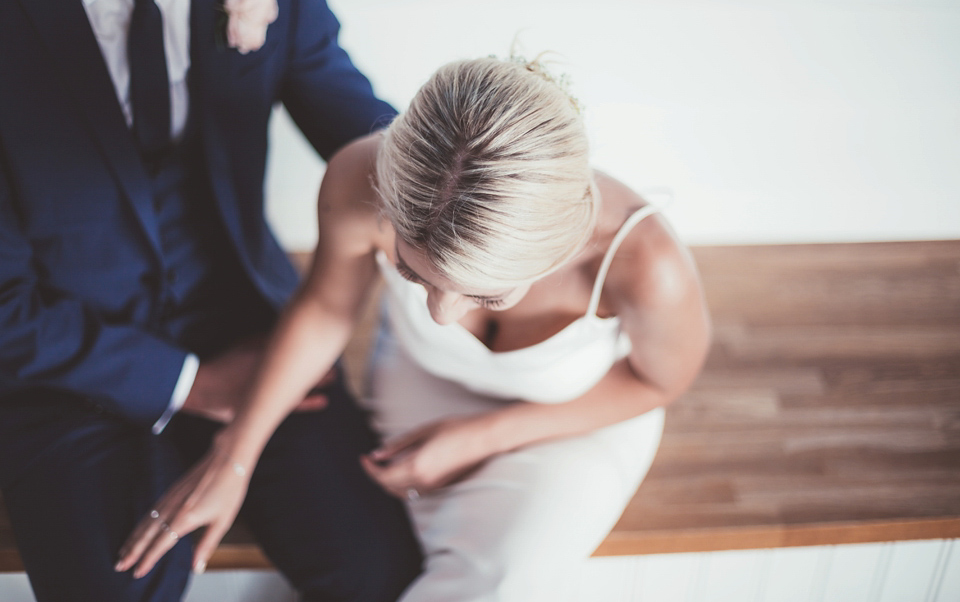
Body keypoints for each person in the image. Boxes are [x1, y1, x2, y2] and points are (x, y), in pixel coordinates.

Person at [118, 56, 712, 601]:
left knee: (496, 577)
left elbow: (659, 383)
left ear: (560, 249)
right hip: (418, 380)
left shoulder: (645, 260)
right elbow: (326, 309)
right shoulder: (359, 176)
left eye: (484, 293)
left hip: (574, 413)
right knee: (376, 556)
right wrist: (236, 455)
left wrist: (484, 435)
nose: (440, 314)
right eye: (410, 272)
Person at [0, 0, 422, 600]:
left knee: (375, 571)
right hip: (62, 363)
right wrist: (188, 381)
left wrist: (452, 190)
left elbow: (350, 118)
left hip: (253, 332)